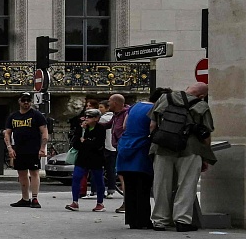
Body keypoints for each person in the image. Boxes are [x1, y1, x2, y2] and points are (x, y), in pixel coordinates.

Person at [148, 81, 216, 231]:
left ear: (187, 89)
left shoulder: (165, 98)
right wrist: (205, 156)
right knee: (186, 185)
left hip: (163, 147)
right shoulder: (202, 106)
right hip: (190, 149)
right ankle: (182, 221)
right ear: (202, 95)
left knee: (161, 185)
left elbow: (152, 125)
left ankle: (160, 221)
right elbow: (206, 135)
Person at [113, 90, 154, 229]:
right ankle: (143, 220)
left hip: (126, 147)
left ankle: (131, 220)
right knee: (143, 188)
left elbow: (124, 126)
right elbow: (152, 127)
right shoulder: (153, 109)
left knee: (130, 187)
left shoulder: (134, 107)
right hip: (141, 149)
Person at [7, 92, 50, 207]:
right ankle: (25, 198)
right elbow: (7, 133)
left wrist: (42, 148)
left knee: (34, 172)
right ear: (19, 101)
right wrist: (9, 148)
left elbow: (44, 132)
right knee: (22, 173)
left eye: (28, 100)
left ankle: (34, 198)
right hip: (19, 149)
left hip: (33, 149)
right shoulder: (13, 116)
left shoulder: (37, 115)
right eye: (23, 100)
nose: (26, 102)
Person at [67, 102, 108, 211]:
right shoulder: (82, 128)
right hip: (83, 157)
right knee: (76, 177)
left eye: (90, 117)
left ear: (96, 118)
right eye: (86, 117)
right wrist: (83, 134)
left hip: (96, 158)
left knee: (98, 179)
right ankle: (75, 202)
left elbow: (97, 144)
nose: (87, 119)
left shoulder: (100, 129)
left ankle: (100, 203)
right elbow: (75, 143)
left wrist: (85, 142)